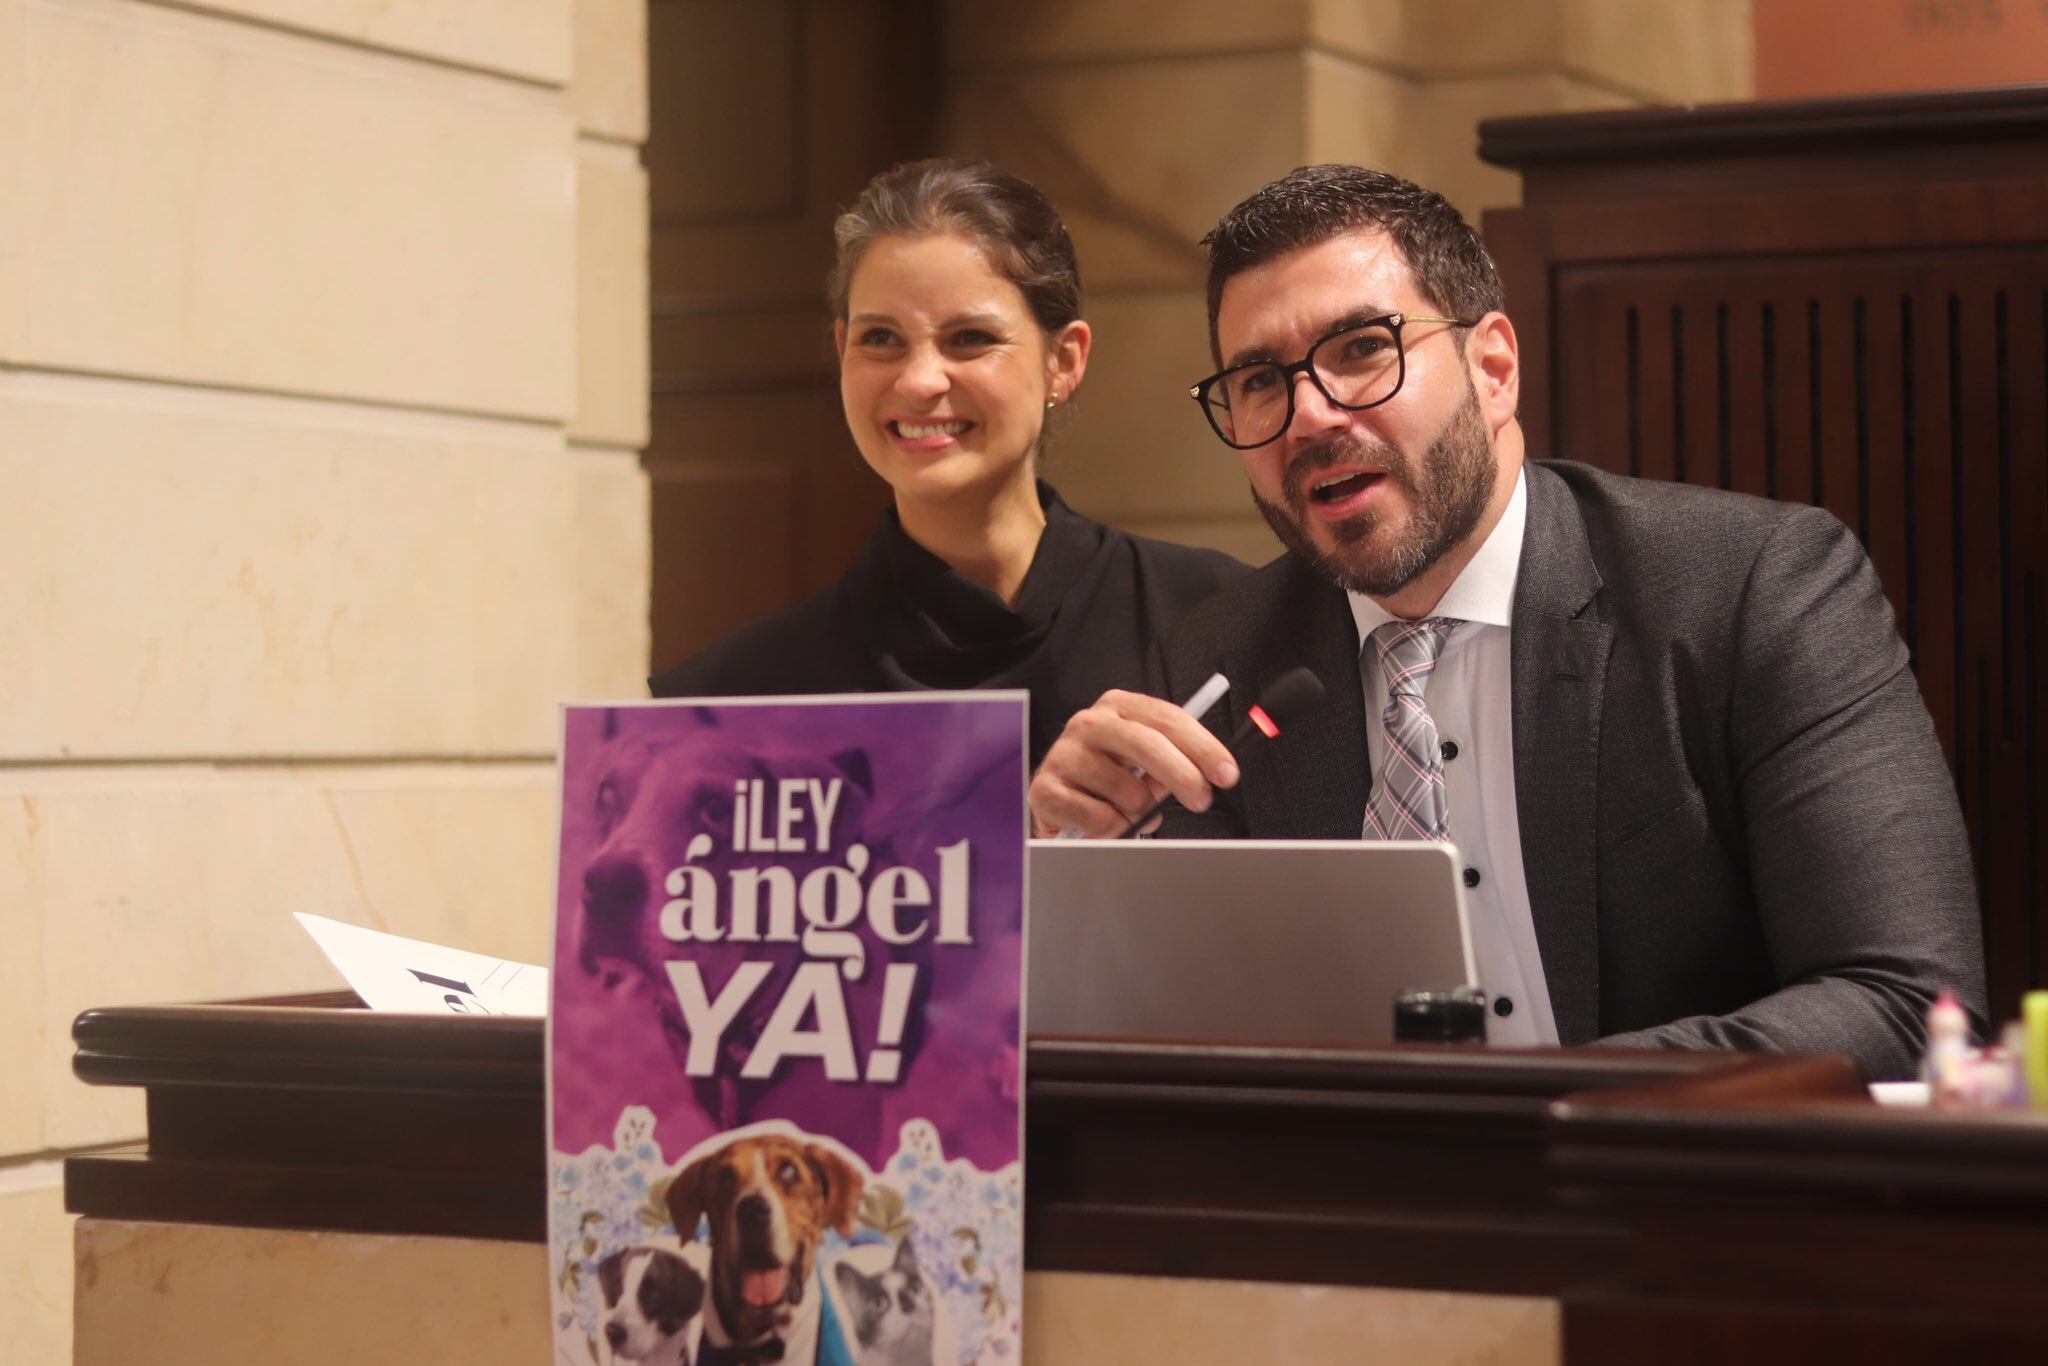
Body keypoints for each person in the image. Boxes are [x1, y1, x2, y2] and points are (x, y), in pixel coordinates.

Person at [1027, 164, 1985, 1080]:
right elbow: (1183, 1039)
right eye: (1261, 381)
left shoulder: (1751, 590)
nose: (1309, 415)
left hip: (1686, 1218)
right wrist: (1068, 868)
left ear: (1492, 368)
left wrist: (1513, 1114)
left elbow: (1905, 1001)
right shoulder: (1219, 663)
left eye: (1363, 349)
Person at [652, 159, 1245, 766]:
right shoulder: (731, 702)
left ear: (1063, 361)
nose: (918, 381)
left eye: (969, 338)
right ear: (841, 350)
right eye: (880, 338)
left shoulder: (1218, 620)